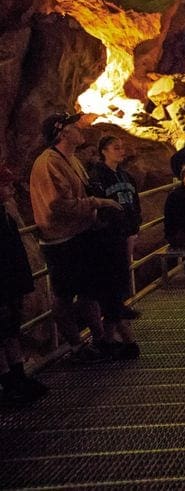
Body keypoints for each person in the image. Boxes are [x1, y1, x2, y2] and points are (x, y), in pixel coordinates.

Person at [30, 111, 122, 364]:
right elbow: (57, 205)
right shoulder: (50, 162)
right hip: (61, 241)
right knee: (64, 294)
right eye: (73, 125)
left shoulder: (70, 159)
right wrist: (98, 202)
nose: (80, 127)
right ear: (61, 133)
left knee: (88, 291)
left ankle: (100, 339)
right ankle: (76, 346)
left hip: (79, 235)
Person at [88, 136, 142, 359]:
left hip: (124, 236)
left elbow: (135, 203)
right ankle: (119, 338)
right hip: (107, 239)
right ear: (103, 151)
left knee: (118, 283)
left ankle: (108, 340)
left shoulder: (126, 176)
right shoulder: (98, 178)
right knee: (112, 287)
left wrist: (134, 229)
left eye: (121, 147)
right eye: (115, 147)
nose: (121, 151)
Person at [0, 164, 49, 404]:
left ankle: (17, 377)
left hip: (11, 282)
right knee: (3, 333)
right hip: (4, 284)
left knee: (10, 332)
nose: (10, 188)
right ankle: (9, 382)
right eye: (5, 185)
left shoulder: (4, 214)